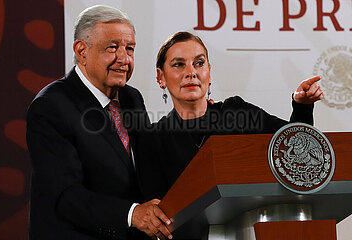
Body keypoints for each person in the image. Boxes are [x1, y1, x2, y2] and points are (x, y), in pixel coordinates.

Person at [26, 5, 172, 240]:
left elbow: (148, 165)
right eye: (113, 48)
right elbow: (66, 196)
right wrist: (132, 214)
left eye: (130, 49)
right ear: (81, 50)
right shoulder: (50, 106)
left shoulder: (131, 98)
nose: (124, 59)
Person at [139, 31, 324, 201]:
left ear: (209, 72)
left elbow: (298, 154)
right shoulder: (154, 138)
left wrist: (302, 107)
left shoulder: (237, 113)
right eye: (179, 64)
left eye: (199, 63)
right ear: (160, 77)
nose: (191, 72)